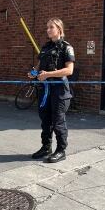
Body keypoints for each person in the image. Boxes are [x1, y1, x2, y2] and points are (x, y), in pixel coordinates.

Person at [30, 18, 75, 163]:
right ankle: (46, 147)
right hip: (45, 91)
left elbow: (69, 70)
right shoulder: (45, 47)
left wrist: (48, 74)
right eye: (47, 27)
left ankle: (61, 150)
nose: (48, 30)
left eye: (51, 27)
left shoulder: (66, 47)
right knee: (45, 120)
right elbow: (39, 66)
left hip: (60, 91)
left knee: (58, 121)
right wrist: (34, 73)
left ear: (59, 30)